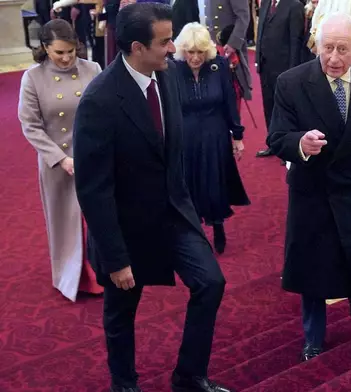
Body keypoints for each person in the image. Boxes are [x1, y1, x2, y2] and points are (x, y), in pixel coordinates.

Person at [73, 4, 231, 392]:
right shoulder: (100, 100)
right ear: (137, 47)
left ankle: (189, 376)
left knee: (211, 282)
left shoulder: (168, 75)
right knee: (122, 312)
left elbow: (170, 153)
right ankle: (124, 384)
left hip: (174, 214)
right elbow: (94, 189)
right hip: (126, 229)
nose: (174, 49)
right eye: (164, 42)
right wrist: (116, 258)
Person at [267, 12, 351, 361]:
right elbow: (276, 137)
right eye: (327, 48)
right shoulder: (291, 83)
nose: (334, 59)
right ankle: (313, 338)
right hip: (314, 189)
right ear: (316, 45)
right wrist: (300, 144)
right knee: (314, 269)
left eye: (343, 49)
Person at [18, 19, 103, 302]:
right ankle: (71, 277)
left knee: (99, 219)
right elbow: (30, 125)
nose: (67, 58)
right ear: (45, 48)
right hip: (56, 162)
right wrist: (60, 159)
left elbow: (106, 112)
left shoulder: (93, 69)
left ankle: (102, 271)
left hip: (93, 157)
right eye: (59, 53)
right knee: (64, 221)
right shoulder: (33, 77)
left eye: (71, 51)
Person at [174, 22, 250, 255]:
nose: (195, 58)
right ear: (182, 50)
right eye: (190, 52)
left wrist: (237, 136)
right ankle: (194, 233)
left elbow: (230, 103)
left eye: (200, 52)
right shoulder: (171, 69)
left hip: (215, 135)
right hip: (186, 136)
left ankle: (218, 226)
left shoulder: (220, 66)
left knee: (214, 182)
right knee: (189, 183)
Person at [255, 0, 304, 158]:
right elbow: (260, 33)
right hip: (265, 65)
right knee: (268, 105)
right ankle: (273, 144)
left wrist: (293, 71)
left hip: (284, 68)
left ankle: (288, 148)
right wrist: (257, 59)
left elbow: (295, 41)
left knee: (286, 109)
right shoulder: (265, 4)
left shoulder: (294, 6)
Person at [204, 0, 252, 105]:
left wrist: (232, 44)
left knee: (232, 94)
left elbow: (243, 17)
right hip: (214, 50)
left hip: (229, 49)